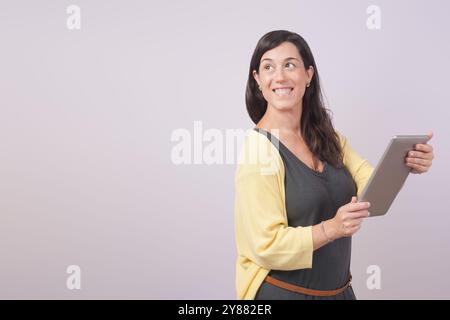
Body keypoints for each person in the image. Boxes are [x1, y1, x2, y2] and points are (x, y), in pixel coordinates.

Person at [234, 30, 435, 300]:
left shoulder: (328, 137)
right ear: (258, 80)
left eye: (289, 65)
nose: (279, 76)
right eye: (268, 67)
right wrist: (332, 229)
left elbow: (370, 184)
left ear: (308, 75)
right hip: (283, 294)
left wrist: (406, 163)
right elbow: (264, 245)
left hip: (339, 293)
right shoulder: (258, 150)